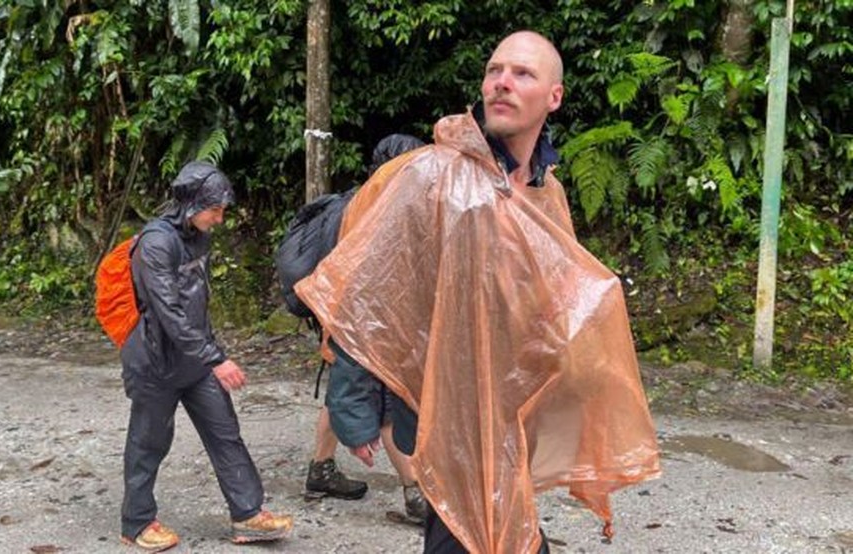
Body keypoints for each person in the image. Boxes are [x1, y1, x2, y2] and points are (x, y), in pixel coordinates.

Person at [295, 31, 661, 554]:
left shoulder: (547, 190)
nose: (501, 83)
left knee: (504, 529)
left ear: (554, 97)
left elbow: (551, 299)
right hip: (448, 414)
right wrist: (352, 407)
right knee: (470, 532)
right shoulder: (433, 177)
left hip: (513, 408)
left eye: (522, 73)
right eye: (494, 71)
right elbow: (369, 292)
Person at [119, 161, 293, 551]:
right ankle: (136, 523)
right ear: (191, 204)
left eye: (222, 210)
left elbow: (197, 304)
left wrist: (210, 354)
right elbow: (169, 313)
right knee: (149, 443)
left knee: (224, 432)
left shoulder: (199, 238)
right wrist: (216, 359)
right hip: (155, 363)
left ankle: (248, 514)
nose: (219, 218)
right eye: (214, 209)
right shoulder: (156, 243)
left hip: (194, 361)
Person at [305, 134, 429, 525]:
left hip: (336, 310)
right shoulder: (379, 208)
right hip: (365, 318)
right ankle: (415, 493)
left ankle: (320, 469)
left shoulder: (361, 200)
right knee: (387, 404)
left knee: (341, 391)